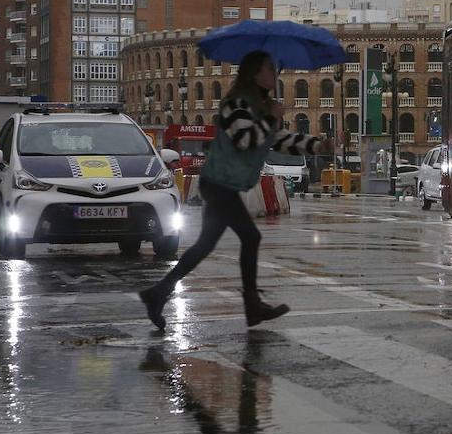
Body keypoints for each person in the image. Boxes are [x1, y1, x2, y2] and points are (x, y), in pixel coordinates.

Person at [139, 50, 331, 330]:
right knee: (249, 237)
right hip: (218, 184)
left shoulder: (257, 106)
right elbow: (244, 139)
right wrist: (270, 118)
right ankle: (251, 305)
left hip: (225, 184)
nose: (273, 74)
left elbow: (277, 140)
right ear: (254, 73)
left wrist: (318, 146)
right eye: (268, 69)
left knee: (206, 245)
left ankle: (157, 293)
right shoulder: (235, 104)